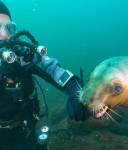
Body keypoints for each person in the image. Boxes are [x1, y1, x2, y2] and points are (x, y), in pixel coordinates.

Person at [0, 1, 89, 150]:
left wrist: (77, 90)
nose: (4, 35)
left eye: (9, 28)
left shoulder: (22, 54)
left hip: (26, 130)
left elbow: (52, 69)